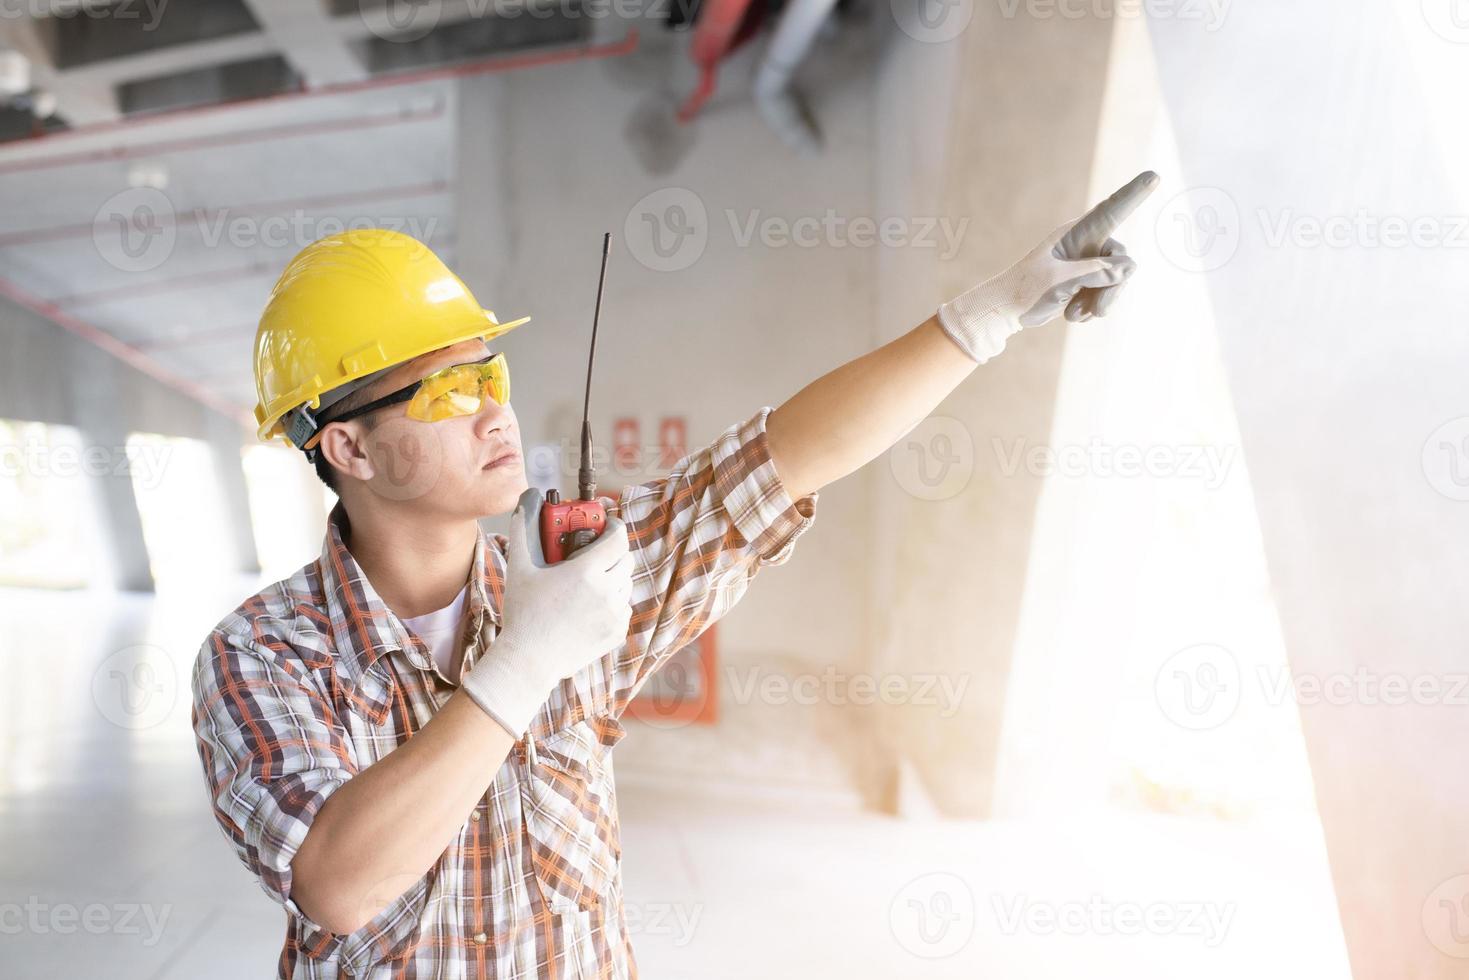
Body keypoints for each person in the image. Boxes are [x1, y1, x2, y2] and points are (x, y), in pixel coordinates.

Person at [191, 172, 1158, 978]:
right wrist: (524, 661)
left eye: (491, 377)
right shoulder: (262, 655)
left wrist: (986, 317)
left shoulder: (577, 579)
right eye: (446, 392)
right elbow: (337, 881)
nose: (494, 416)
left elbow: (778, 462)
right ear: (349, 450)